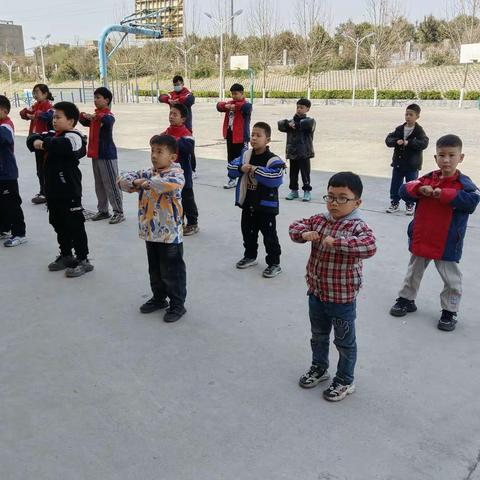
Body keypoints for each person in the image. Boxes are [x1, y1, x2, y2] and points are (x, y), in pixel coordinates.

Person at [289, 172, 377, 402]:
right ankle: (319, 367)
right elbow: (295, 226)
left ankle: (345, 379)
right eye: (330, 197)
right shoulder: (320, 219)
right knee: (318, 336)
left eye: (342, 198)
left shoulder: (357, 226)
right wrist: (303, 234)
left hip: (342, 299)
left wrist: (338, 243)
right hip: (317, 293)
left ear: (357, 202)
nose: (334, 203)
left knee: (344, 342)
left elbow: (369, 246)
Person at [389, 134, 479, 332]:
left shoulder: (464, 183)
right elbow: (405, 189)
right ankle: (406, 299)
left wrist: (445, 194)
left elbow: (472, 201)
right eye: (441, 155)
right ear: (435, 157)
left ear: (460, 157)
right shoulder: (428, 177)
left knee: (452, 280)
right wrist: (420, 189)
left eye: (451, 155)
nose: (446, 160)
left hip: (446, 241)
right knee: (413, 272)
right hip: (422, 237)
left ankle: (450, 310)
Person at [118, 134, 187, 323]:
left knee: (172, 271)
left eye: (159, 152)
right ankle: (159, 298)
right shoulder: (148, 172)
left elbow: (170, 185)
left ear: (172, 157)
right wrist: (133, 183)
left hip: (169, 235)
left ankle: (177, 304)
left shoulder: (176, 174)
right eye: (152, 151)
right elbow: (122, 179)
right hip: (150, 232)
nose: (154, 156)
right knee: (155, 269)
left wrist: (145, 184)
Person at [27, 101, 93, 278]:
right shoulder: (53, 134)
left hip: (69, 190)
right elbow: (31, 139)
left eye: (58, 117)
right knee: (58, 222)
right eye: (53, 117)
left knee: (75, 224)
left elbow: (63, 146)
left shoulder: (75, 136)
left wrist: (44, 143)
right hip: (52, 190)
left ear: (71, 121)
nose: (54, 120)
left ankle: (83, 259)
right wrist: (40, 141)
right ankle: (66, 255)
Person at [227, 122, 285, 278]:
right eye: (252, 135)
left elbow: (276, 178)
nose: (254, 138)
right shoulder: (246, 155)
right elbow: (230, 169)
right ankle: (250, 256)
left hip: (266, 206)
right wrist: (241, 169)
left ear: (268, 140)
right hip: (248, 203)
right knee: (248, 232)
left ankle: (274, 263)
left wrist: (254, 169)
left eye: (258, 135)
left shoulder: (273, 160)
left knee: (269, 236)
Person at [79, 87, 125, 224]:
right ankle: (103, 210)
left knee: (111, 184)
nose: (95, 100)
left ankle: (119, 212)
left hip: (106, 155)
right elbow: (82, 120)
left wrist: (95, 116)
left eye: (98, 97)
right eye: (95, 97)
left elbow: (109, 120)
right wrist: (83, 115)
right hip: (95, 154)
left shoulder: (107, 115)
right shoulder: (96, 115)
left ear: (107, 100)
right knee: (99, 185)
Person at [162, 103, 199, 236]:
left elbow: (188, 147)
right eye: (170, 113)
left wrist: (172, 140)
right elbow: (157, 141)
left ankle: (193, 223)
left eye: (175, 114)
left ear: (183, 119)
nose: (171, 116)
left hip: (184, 175)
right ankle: (179, 222)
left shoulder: (186, 133)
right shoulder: (167, 131)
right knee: (174, 200)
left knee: (187, 199)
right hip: (170, 175)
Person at [385, 103, 429, 215]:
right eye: (406, 114)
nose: (408, 117)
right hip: (398, 163)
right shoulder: (399, 129)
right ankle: (394, 202)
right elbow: (388, 140)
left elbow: (424, 143)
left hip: (412, 165)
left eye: (411, 114)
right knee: (395, 183)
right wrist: (396, 141)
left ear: (417, 116)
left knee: (411, 185)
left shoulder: (419, 131)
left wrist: (409, 142)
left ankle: (410, 204)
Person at [19, 84, 54, 204]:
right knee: (39, 168)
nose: (35, 95)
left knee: (45, 167)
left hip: (44, 140)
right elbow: (25, 114)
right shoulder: (36, 105)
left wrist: (37, 114)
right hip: (35, 141)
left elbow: (50, 116)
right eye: (34, 92)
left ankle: (47, 192)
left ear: (45, 94)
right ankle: (43, 191)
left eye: (37, 92)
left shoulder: (48, 106)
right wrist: (26, 113)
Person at [0, 95, 27, 247]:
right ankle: (3, 228)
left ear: (4, 111)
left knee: (12, 204)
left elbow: (5, 138)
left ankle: (19, 233)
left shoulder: (6, 125)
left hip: (7, 173)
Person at [278, 98, 316, 202]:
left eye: (302, 108)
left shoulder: (310, 121)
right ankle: (294, 190)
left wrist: (295, 125)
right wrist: (288, 124)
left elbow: (307, 125)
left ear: (307, 109)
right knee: (293, 173)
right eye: (298, 107)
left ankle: (307, 191)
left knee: (305, 173)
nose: (299, 109)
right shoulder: (290, 122)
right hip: (293, 152)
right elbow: (280, 125)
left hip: (304, 152)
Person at [159, 76, 198, 177]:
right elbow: (161, 97)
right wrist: (169, 100)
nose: (177, 86)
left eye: (179, 84)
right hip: (174, 127)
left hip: (186, 126)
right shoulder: (171, 94)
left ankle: (192, 169)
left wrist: (177, 100)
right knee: (173, 149)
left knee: (187, 150)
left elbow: (190, 100)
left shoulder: (187, 93)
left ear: (182, 83)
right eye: (175, 85)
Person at [217, 83, 252, 189]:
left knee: (242, 158)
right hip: (230, 135)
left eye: (236, 94)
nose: (234, 96)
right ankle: (232, 178)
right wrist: (227, 106)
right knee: (231, 158)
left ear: (242, 93)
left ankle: (243, 179)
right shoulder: (230, 103)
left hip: (241, 136)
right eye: (232, 94)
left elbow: (246, 107)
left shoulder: (246, 104)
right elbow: (219, 106)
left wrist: (235, 107)